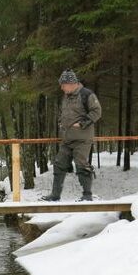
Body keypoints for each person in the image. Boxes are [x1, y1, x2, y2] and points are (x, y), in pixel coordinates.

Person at [41, 69, 102, 202]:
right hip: (67, 139)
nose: (61, 88)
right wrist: (60, 123)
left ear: (71, 83)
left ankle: (87, 195)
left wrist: (82, 123)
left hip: (82, 139)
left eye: (63, 85)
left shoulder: (87, 94)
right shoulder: (66, 97)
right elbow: (64, 114)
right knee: (59, 164)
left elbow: (97, 112)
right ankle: (55, 195)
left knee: (81, 165)